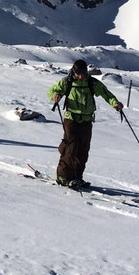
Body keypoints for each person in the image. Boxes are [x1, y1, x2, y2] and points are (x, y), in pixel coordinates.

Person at [47, 59, 124, 189]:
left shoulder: (91, 82)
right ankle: (63, 176)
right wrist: (55, 95)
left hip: (87, 120)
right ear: (73, 71)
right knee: (70, 147)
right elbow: (52, 91)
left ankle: (77, 177)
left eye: (83, 73)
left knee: (83, 149)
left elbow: (106, 93)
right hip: (71, 118)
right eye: (78, 74)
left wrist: (115, 103)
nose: (81, 76)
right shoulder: (67, 82)